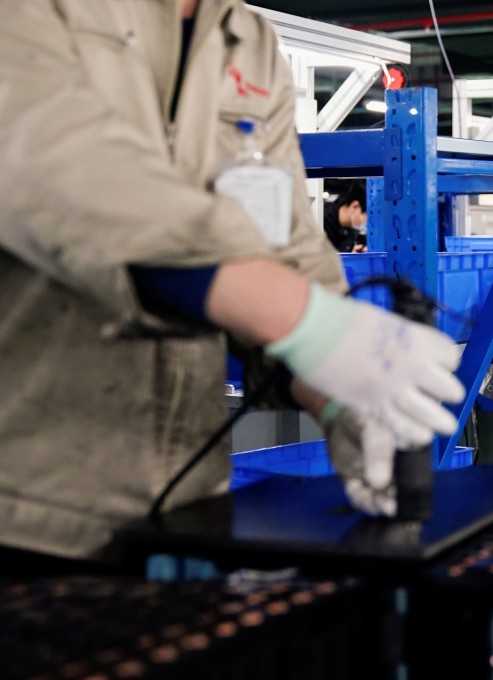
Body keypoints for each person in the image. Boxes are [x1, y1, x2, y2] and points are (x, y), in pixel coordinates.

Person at [0, 0, 464, 568]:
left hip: (186, 512)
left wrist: (335, 394)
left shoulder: (247, 42)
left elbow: (283, 245)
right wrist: (306, 321)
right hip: (24, 512)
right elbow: (60, 169)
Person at [324, 180, 369, 253]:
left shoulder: (351, 233)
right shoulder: (321, 222)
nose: (366, 224)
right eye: (368, 218)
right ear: (355, 206)